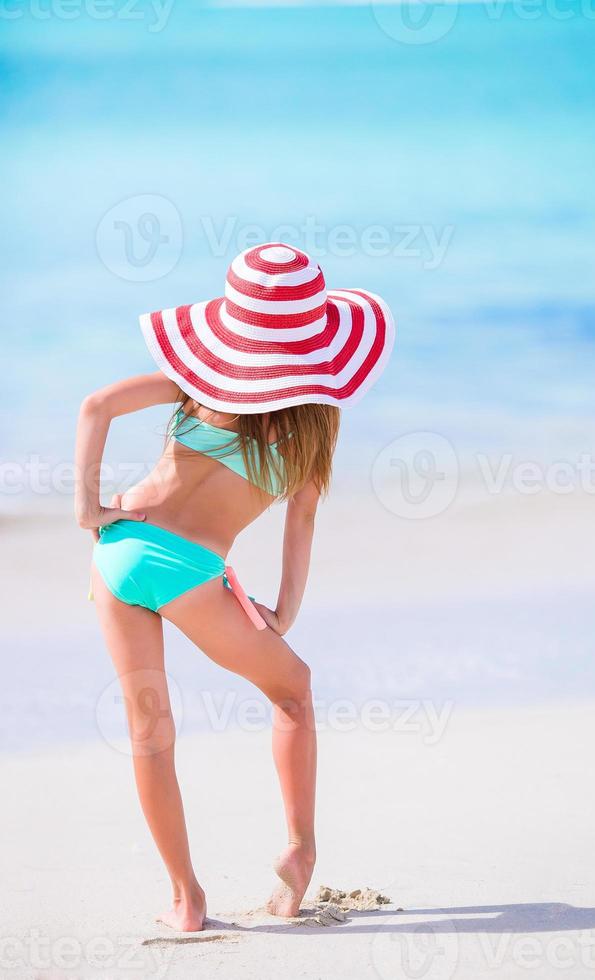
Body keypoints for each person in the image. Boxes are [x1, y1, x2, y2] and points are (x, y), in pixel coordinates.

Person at [74, 243, 394, 931]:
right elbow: (302, 519)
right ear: (318, 335)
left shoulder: (197, 384)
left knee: (149, 732)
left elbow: (96, 405)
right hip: (192, 571)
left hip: (119, 551)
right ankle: (301, 851)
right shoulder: (315, 424)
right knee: (293, 689)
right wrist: (283, 611)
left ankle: (186, 901)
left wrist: (86, 508)